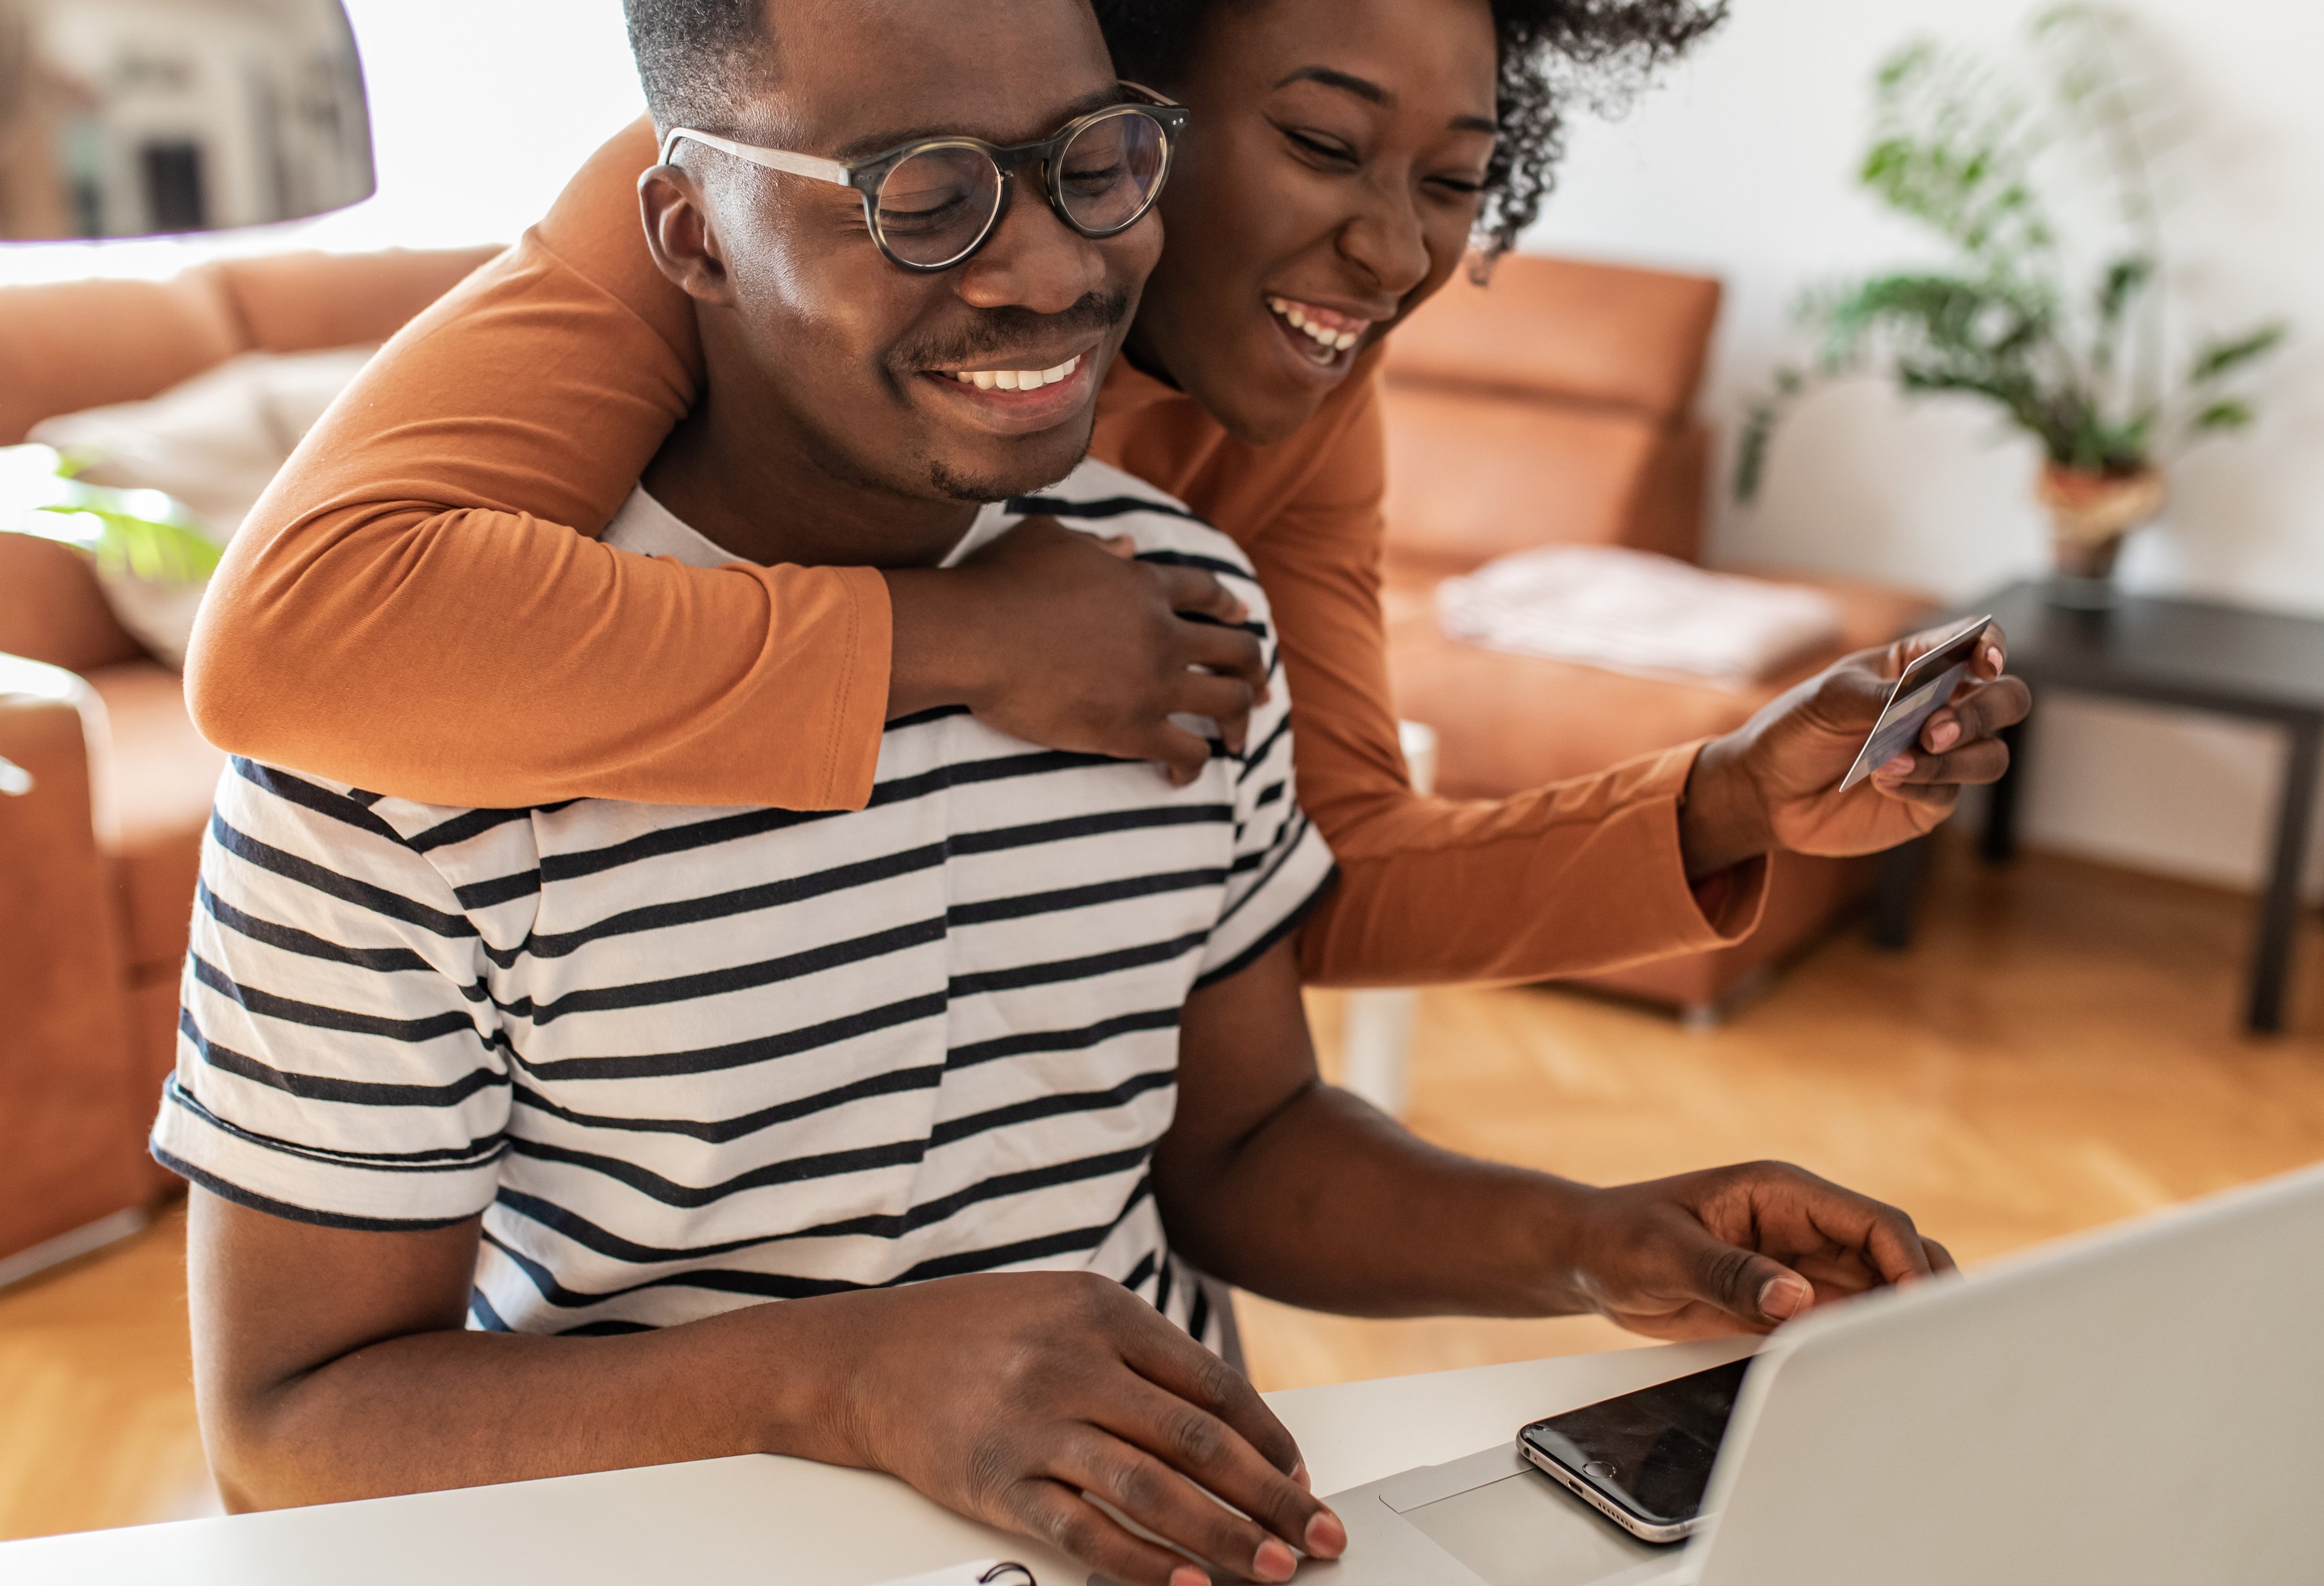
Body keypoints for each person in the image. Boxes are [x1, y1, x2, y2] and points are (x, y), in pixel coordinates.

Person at [171, 7, 1954, 1585]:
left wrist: (1590, 1239)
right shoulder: (427, 709)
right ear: (690, 225)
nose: (1039, 267)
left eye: (1092, 167)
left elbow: (1247, 1111)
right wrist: (843, 1376)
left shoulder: (1185, 590)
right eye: (921, 194)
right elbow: (293, 1423)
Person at [186, 0, 2035, 992]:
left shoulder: (1297, 396)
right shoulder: (733, 222)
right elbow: (308, 631)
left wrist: (1725, 795)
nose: (1392, 251)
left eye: (1459, 179)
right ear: (1110, 76)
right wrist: (961, 639)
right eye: (1320, 143)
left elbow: (1318, 881)